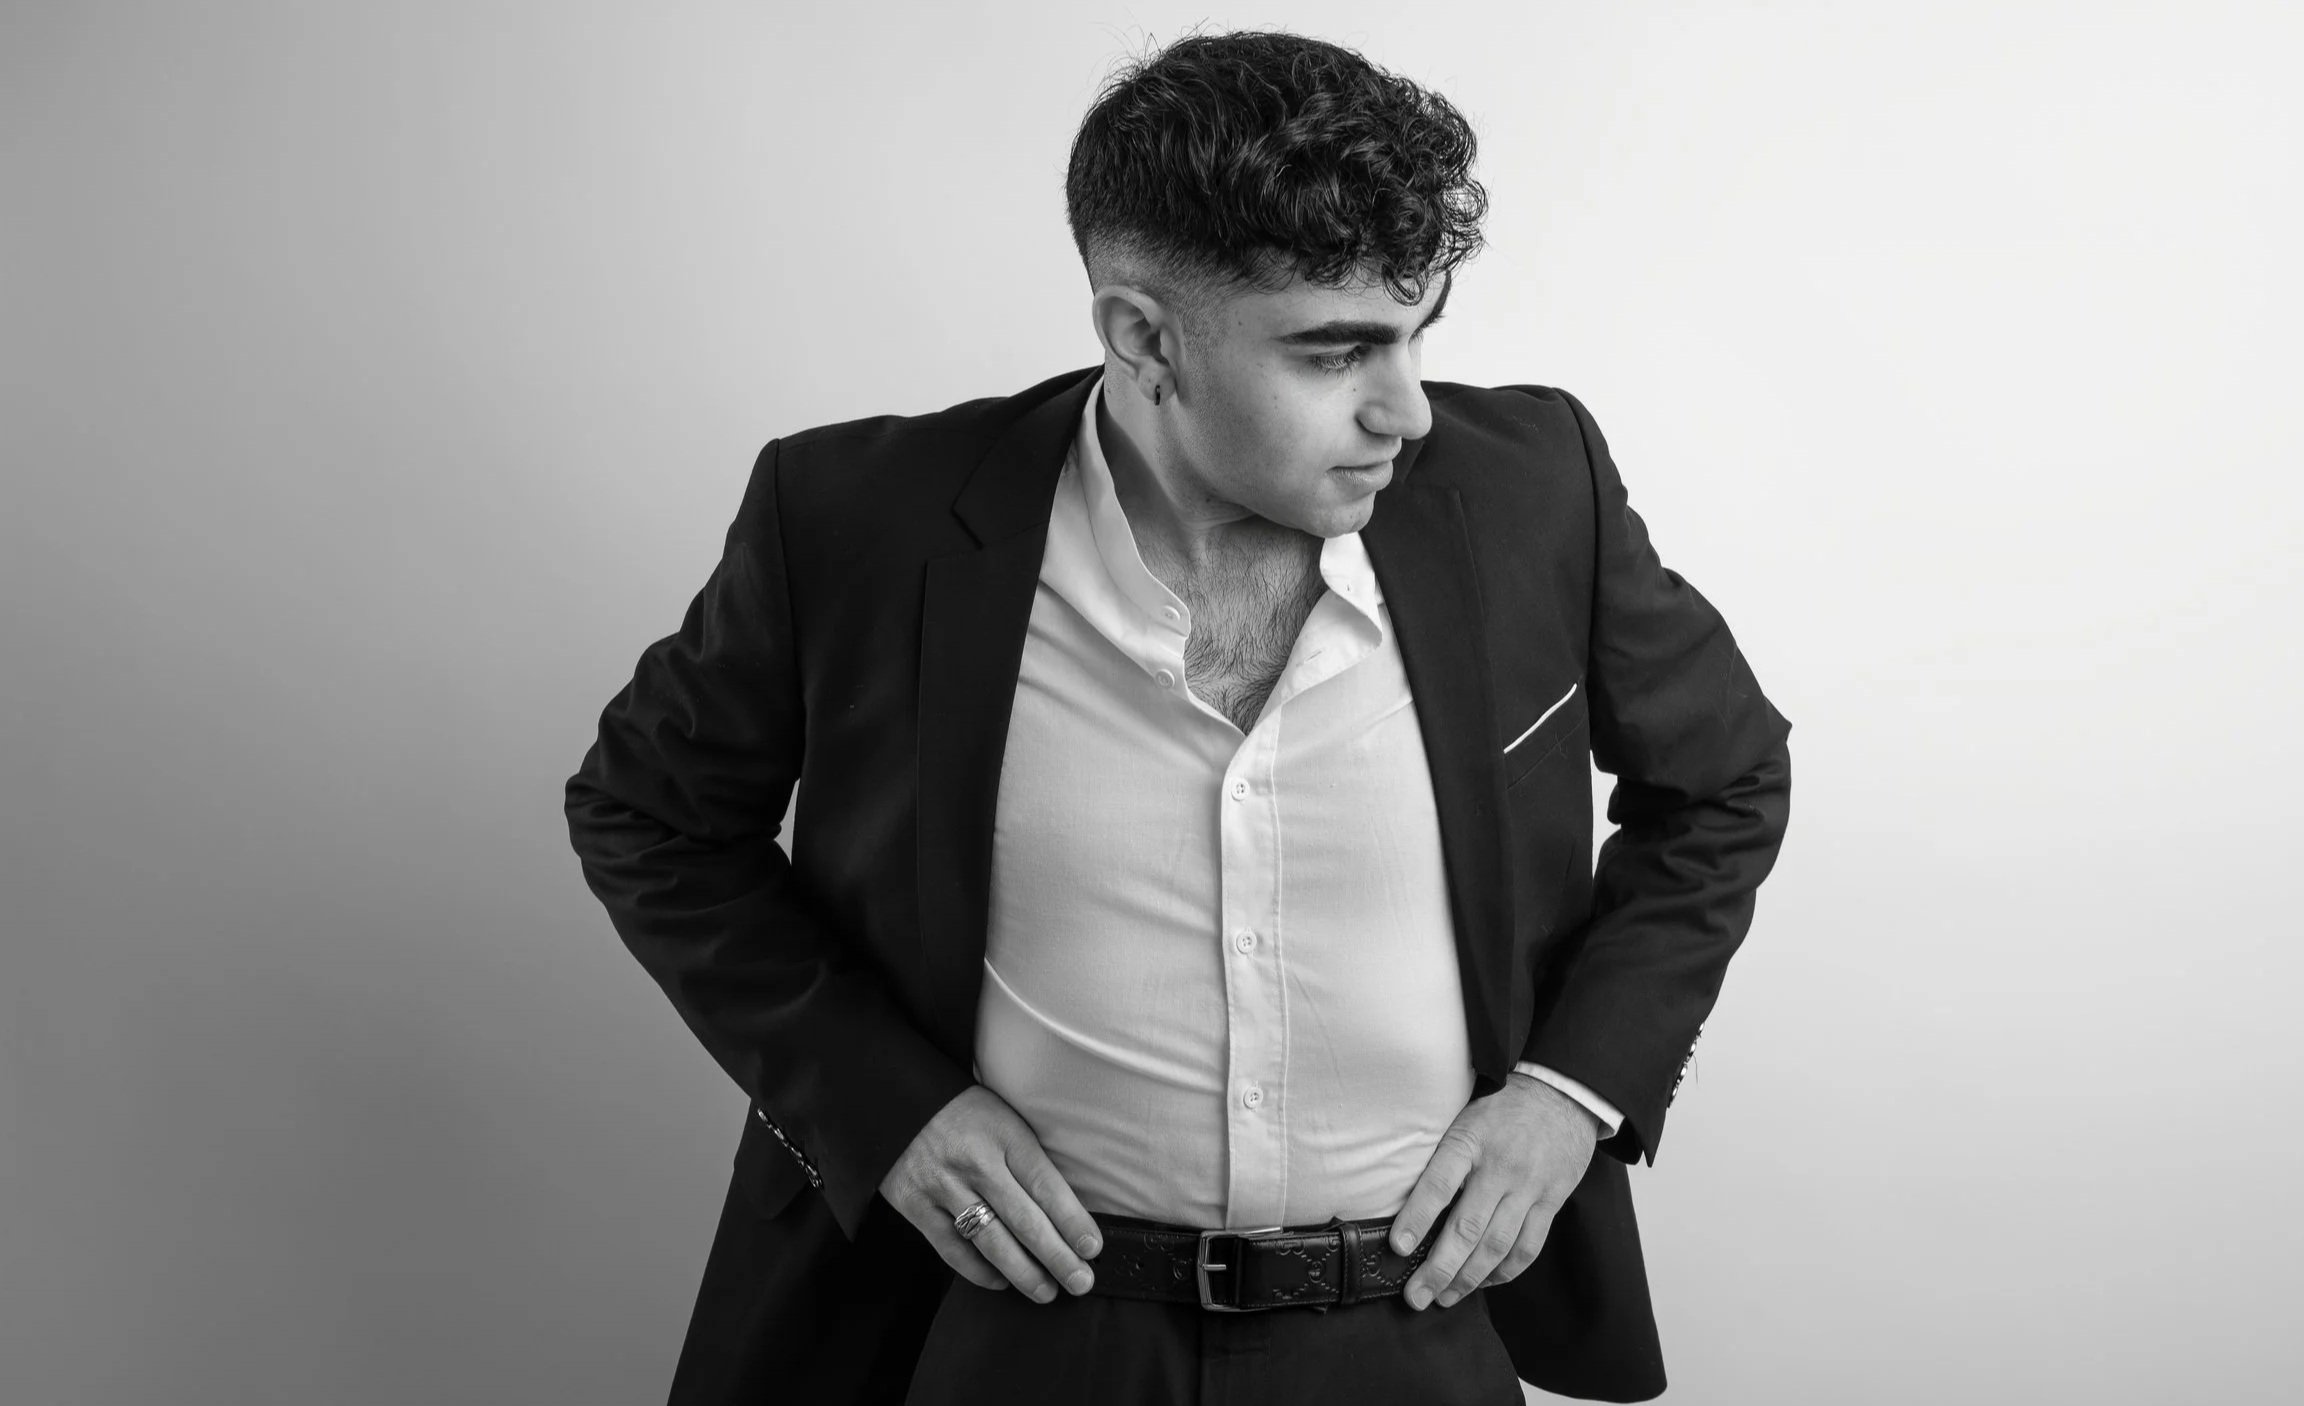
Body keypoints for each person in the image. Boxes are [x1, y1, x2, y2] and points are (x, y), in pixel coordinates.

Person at [564, 29, 1791, 1406]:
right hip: (1009, 1330)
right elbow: (648, 813)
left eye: (1417, 335)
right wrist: (877, 1103)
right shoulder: (861, 520)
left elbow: (1725, 779)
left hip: (1414, 1326)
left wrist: (1573, 1094)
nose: (1406, 410)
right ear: (1144, 336)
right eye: (1339, 353)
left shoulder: (1528, 491)